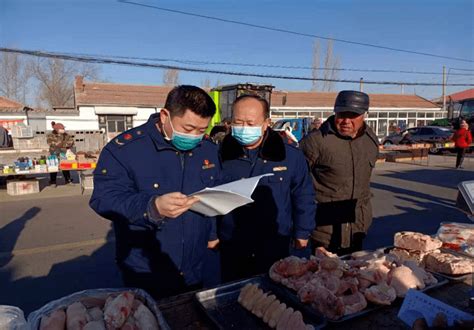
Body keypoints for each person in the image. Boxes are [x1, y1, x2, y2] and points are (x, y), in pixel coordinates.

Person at [90, 85, 221, 298]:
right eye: (188, 129)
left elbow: (212, 194)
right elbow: (104, 198)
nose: (195, 137)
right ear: (165, 116)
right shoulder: (125, 149)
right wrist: (152, 207)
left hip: (193, 264)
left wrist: (213, 233)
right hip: (145, 266)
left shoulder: (207, 149)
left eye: (202, 130)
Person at [218, 94, 316, 282]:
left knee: (275, 294)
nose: (244, 128)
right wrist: (212, 235)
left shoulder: (289, 157)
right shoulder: (220, 155)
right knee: (235, 294)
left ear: (266, 123)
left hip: (275, 241)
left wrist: (303, 231)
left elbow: (303, 194)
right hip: (233, 243)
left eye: (250, 123)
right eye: (238, 122)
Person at [300, 90, 379, 255]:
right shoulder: (316, 141)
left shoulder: (370, 140)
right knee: (326, 277)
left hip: (359, 226)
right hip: (324, 232)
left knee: (355, 276)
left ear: (364, 115)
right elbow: (296, 183)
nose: (346, 121)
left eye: (353, 115)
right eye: (342, 114)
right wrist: (301, 225)